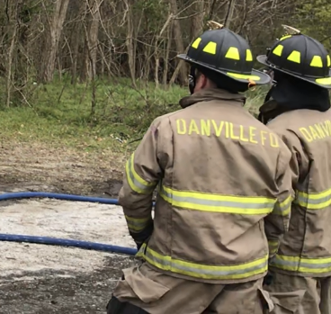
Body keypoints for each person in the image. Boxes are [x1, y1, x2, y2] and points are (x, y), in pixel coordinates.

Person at [107, 24, 292, 314]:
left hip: (173, 275)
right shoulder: (273, 141)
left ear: (201, 78)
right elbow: (280, 217)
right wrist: (259, 260)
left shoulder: (167, 128)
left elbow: (133, 195)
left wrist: (145, 238)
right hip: (242, 284)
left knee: (123, 307)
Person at [257, 28, 331, 314]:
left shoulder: (282, 133)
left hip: (290, 269)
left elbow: (274, 208)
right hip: (327, 258)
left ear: (281, 80)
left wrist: (261, 258)